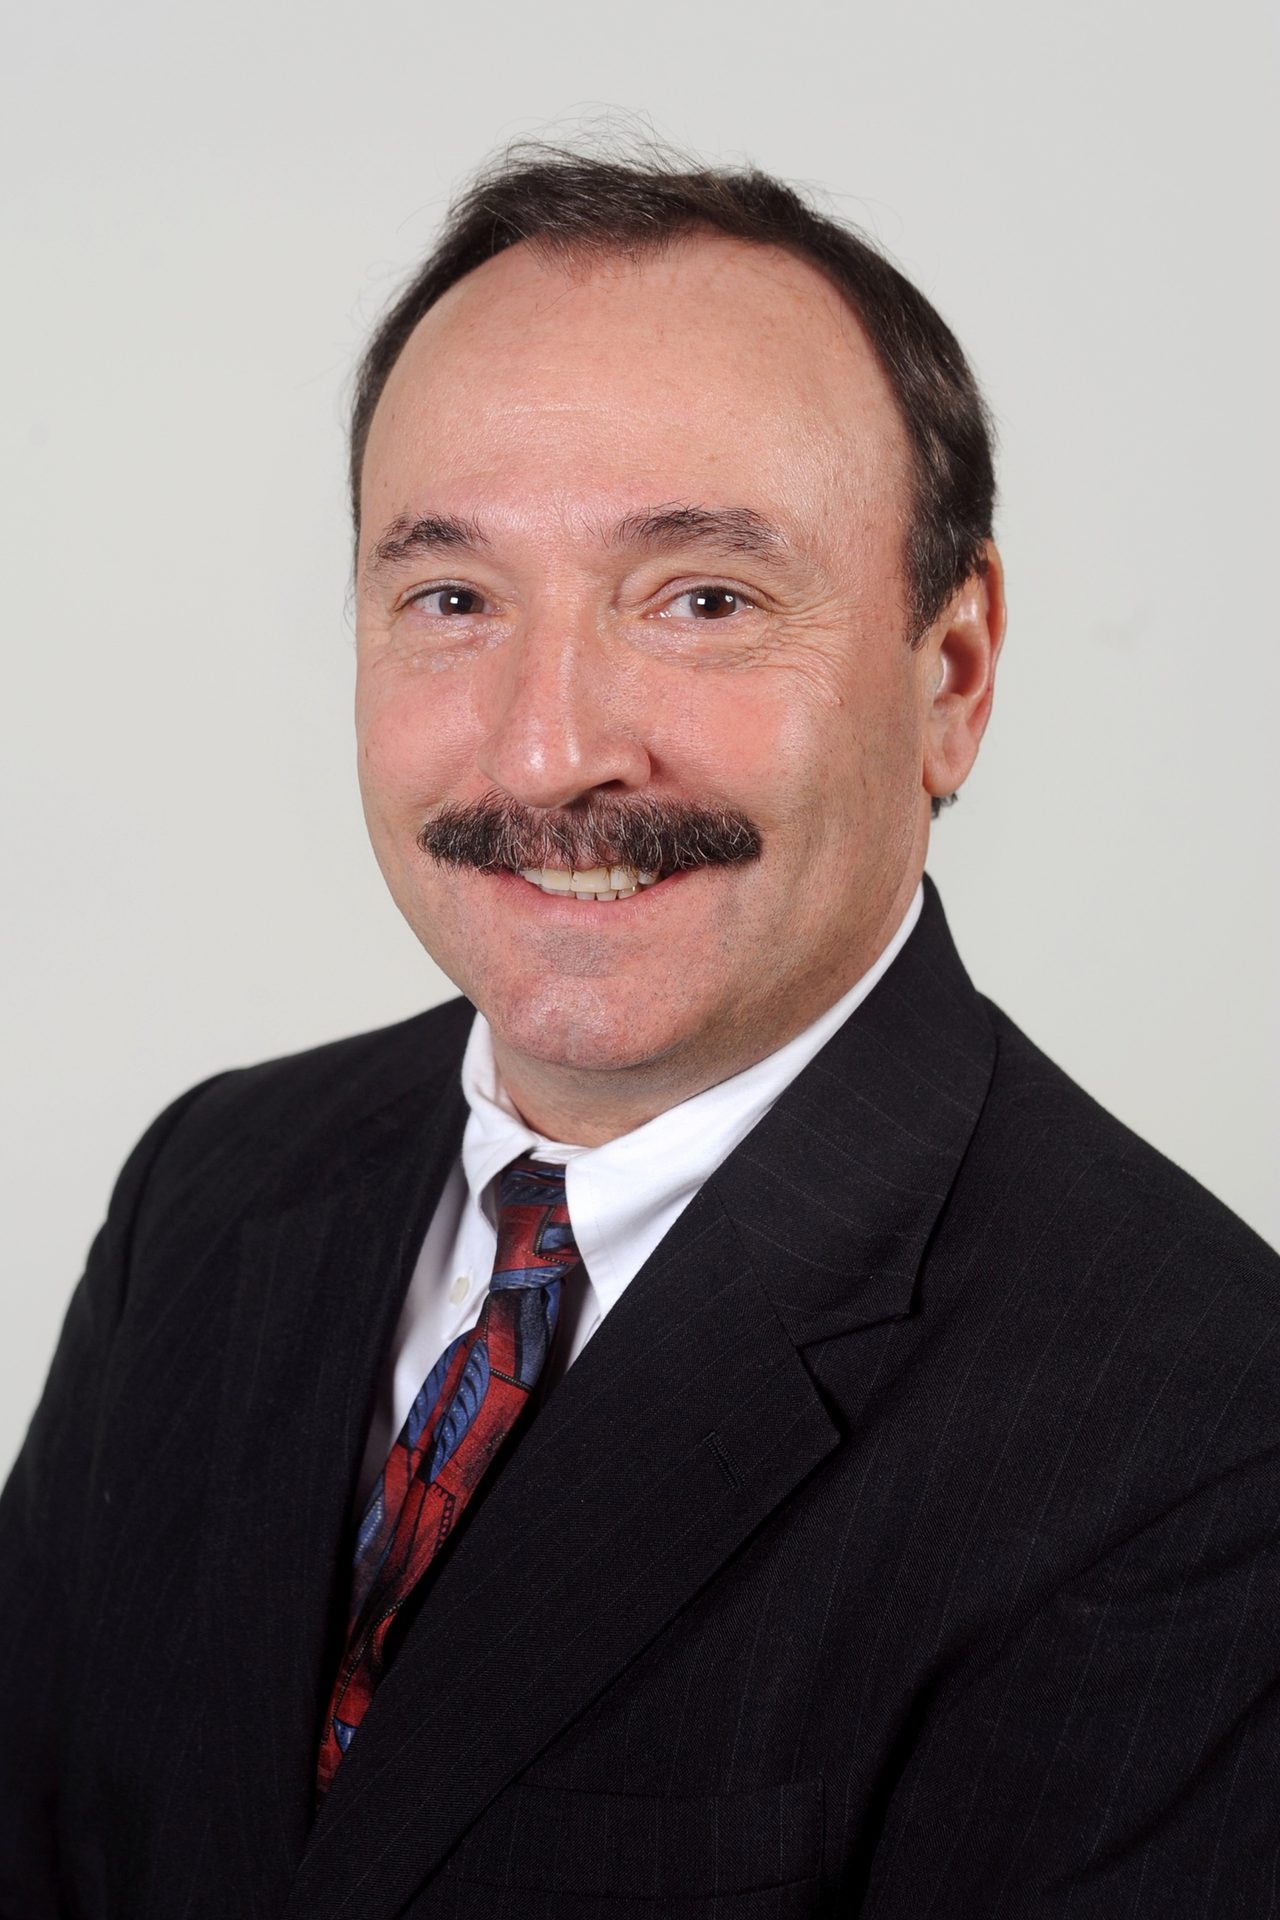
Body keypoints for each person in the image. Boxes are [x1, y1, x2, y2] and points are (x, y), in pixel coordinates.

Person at [1, 144, 1276, 1920]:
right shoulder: (211, 1189)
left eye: (703, 599)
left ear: (953, 672)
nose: (548, 751)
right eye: (454, 598)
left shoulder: (1198, 1435)